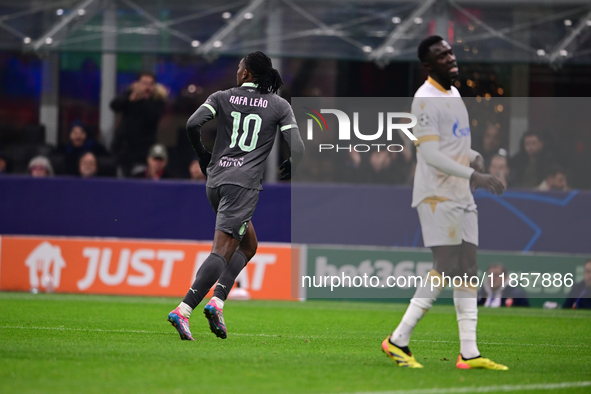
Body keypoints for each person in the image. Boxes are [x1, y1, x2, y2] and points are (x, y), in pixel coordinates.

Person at [382, 36, 507, 370]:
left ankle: (469, 353)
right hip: (436, 193)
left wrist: (475, 157)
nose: (451, 58)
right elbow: (430, 154)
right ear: (428, 65)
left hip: (460, 192)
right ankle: (398, 340)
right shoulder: (424, 99)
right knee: (447, 264)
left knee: (468, 267)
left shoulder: (453, 93)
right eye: (442, 55)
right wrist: (473, 175)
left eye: (450, 52)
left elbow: (452, 144)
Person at [167, 51, 304, 341]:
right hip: (242, 186)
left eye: (240, 67)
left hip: (215, 182)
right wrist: (292, 163)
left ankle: (216, 302)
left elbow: (193, 124)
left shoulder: (222, 97)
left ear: (246, 74)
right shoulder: (279, 105)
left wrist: (204, 156)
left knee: (249, 244)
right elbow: (300, 148)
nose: (237, 70)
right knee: (222, 250)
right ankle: (184, 308)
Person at [110, 72, 167, 176]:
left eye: (150, 84)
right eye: (144, 83)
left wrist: (141, 100)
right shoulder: (129, 96)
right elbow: (114, 105)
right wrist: (129, 99)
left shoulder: (157, 101)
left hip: (143, 151)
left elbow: (153, 117)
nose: (147, 87)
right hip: (123, 148)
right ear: (137, 84)